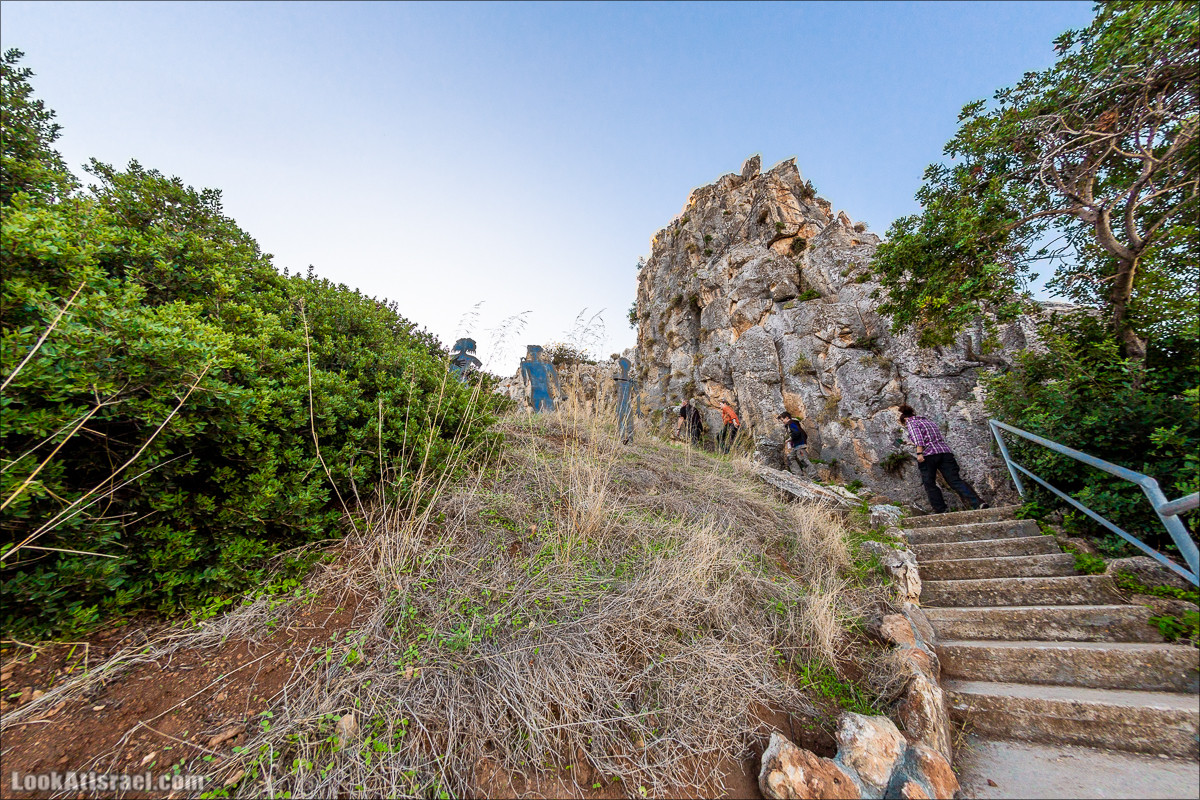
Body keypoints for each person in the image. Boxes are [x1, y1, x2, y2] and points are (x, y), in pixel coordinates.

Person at [898, 404, 987, 513]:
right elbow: (931, 438)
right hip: (945, 452)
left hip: (928, 455)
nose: (906, 426)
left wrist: (919, 453)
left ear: (905, 419)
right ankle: (978, 503)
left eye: (904, 424)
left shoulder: (911, 422)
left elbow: (919, 439)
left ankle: (941, 510)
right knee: (955, 480)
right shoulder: (928, 421)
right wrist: (911, 443)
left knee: (929, 483)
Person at [777, 412, 815, 477]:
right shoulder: (793, 424)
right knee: (790, 457)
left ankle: (814, 475)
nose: (782, 422)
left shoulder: (791, 423)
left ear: (787, 418)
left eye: (782, 420)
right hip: (796, 445)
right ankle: (798, 475)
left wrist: (790, 439)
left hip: (799, 444)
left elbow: (796, 433)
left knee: (803, 459)